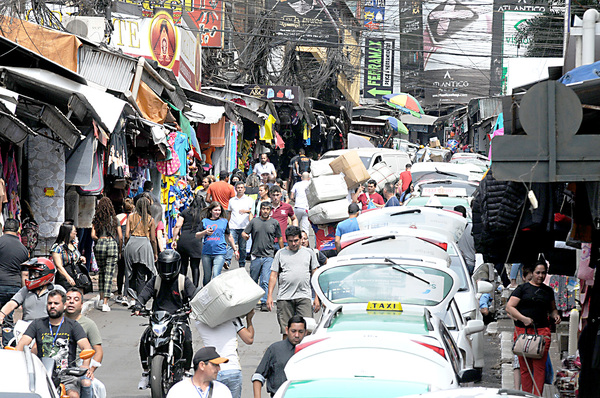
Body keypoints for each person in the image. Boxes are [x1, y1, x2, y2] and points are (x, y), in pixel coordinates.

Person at [134, 250, 196, 390]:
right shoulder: (155, 280)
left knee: (187, 339)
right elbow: (144, 295)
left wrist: (194, 306)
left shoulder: (183, 281)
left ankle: (186, 371)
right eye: (164, 266)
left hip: (178, 319)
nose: (167, 270)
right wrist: (138, 306)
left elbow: (195, 295)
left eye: (170, 266)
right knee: (144, 339)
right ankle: (145, 372)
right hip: (159, 319)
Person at [17, 289, 93, 398]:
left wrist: (85, 367)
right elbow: (21, 346)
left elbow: (86, 347)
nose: (52, 306)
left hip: (67, 375)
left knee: (74, 395)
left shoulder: (73, 325)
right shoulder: (37, 324)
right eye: (50, 303)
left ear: (64, 305)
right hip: (42, 373)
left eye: (56, 303)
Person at [505, 260, 561, 396]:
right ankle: (526, 395)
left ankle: (537, 395)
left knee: (539, 367)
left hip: (542, 333)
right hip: (522, 332)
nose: (540, 276)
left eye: (543, 273)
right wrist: (523, 319)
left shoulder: (548, 291)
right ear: (532, 273)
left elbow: (552, 309)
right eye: (538, 273)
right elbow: (509, 307)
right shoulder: (522, 289)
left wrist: (556, 315)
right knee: (525, 368)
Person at [267, 226, 319, 337]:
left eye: (296, 240)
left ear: (301, 239)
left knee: (307, 329)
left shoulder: (309, 253)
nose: (294, 244)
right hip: (285, 297)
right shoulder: (280, 254)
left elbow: (315, 275)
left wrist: (317, 298)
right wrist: (270, 296)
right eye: (290, 241)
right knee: (287, 332)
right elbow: (273, 275)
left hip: (304, 296)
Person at [194, 311, 255, 398]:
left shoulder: (199, 322)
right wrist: (249, 319)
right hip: (232, 369)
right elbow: (249, 339)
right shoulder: (233, 318)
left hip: (211, 370)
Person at [252, 315, 307, 398]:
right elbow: (258, 376)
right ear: (287, 330)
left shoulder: (309, 350)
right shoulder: (275, 349)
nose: (296, 335)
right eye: (293, 331)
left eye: (300, 332)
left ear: (305, 332)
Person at [0, 258, 66, 324]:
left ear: (45, 273)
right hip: (27, 328)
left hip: (48, 328)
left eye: (35, 274)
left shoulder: (57, 289)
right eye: (30, 273)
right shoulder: (26, 290)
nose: (31, 277)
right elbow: (12, 303)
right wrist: (1, 315)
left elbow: (68, 306)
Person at [243, 202, 282, 312]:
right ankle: (251, 301)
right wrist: (245, 236)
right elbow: (244, 232)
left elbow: (279, 237)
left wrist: (282, 251)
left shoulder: (274, 223)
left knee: (265, 280)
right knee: (253, 280)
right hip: (255, 255)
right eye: (263, 209)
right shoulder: (254, 221)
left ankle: (264, 301)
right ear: (260, 210)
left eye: (267, 209)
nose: (265, 211)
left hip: (268, 255)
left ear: (270, 210)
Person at [65, 288, 104, 398]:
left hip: (78, 369)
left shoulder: (89, 324)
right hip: (56, 367)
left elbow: (98, 351)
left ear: (82, 304)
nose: (71, 302)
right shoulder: (55, 321)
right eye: (68, 299)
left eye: (76, 299)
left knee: (86, 383)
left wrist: (89, 370)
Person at [197, 202, 239, 286]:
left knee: (216, 275)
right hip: (206, 253)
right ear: (211, 211)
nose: (217, 212)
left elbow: (229, 236)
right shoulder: (204, 221)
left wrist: (235, 250)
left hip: (220, 252)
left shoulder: (224, 221)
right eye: (215, 210)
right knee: (207, 277)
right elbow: (197, 235)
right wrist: (205, 232)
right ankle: (206, 295)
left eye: (219, 210)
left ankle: (216, 294)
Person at [91, 197, 122, 312]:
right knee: (109, 274)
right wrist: (119, 249)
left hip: (100, 243)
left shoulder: (97, 220)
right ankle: (105, 303)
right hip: (112, 243)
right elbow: (120, 236)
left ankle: (101, 296)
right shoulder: (115, 220)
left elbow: (92, 235)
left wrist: (99, 239)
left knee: (102, 272)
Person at [124, 197, 158, 302]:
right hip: (144, 246)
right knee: (141, 274)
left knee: (130, 273)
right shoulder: (150, 220)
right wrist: (155, 253)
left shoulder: (130, 217)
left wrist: (127, 245)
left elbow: (126, 235)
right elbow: (153, 239)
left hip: (131, 244)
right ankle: (140, 300)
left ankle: (130, 297)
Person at [167, 347, 232, 398]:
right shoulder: (179, 390)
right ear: (202, 365)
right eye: (215, 365)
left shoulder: (223, 390)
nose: (219, 369)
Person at [0, 218, 30, 325]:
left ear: (3, 228)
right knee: (8, 319)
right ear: (18, 231)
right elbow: (25, 274)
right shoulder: (24, 249)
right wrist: (24, 292)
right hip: (14, 286)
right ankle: (8, 340)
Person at [172, 194, 205, 287]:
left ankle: (181, 286)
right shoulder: (204, 215)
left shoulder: (185, 212)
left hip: (184, 240)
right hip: (196, 241)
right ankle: (194, 288)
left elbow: (178, 225)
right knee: (195, 267)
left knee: (183, 265)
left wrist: (174, 239)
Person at [226, 182, 254, 269]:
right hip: (233, 226)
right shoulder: (231, 200)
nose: (240, 189)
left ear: (244, 189)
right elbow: (229, 213)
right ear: (236, 189)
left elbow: (252, 211)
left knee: (242, 247)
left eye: (241, 187)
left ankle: (242, 263)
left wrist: (246, 212)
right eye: (238, 187)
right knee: (231, 244)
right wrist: (227, 223)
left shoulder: (249, 200)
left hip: (244, 227)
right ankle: (227, 261)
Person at [51, 221, 86, 291]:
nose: (76, 233)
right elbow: (59, 266)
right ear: (68, 232)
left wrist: (81, 258)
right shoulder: (57, 247)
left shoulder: (74, 244)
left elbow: (74, 257)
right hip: (64, 277)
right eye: (74, 231)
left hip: (76, 274)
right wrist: (68, 277)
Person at [115, 198, 134, 305]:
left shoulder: (118, 217)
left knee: (120, 270)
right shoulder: (135, 218)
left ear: (122, 207)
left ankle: (119, 292)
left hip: (120, 245)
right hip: (131, 245)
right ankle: (126, 293)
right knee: (129, 271)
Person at [269, 185, 297, 252]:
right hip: (269, 241)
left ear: (281, 194)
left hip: (283, 240)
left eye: (277, 195)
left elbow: (294, 218)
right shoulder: (266, 208)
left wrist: (295, 231)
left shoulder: (287, 207)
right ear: (270, 195)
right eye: (273, 195)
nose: (276, 197)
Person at [454, 205, 475, 274]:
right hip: (471, 263)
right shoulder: (473, 229)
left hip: (458, 264)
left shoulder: (453, 230)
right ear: (465, 215)